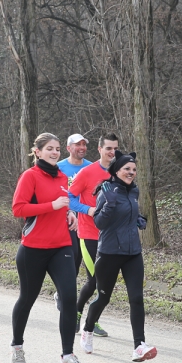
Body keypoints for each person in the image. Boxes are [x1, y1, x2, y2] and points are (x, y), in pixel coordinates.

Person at [11, 133, 86, 363]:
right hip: (33, 249)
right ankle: (17, 347)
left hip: (61, 246)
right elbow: (19, 209)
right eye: (49, 149)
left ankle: (67, 355)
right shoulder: (29, 176)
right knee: (27, 298)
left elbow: (64, 202)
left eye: (56, 149)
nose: (54, 152)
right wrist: (50, 207)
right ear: (38, 151)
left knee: (68, 298)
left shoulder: (63, 177)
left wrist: (69, 213)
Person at [79, 150, 157, 363]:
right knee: (103, 297)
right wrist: (110, 204)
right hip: (110, 253)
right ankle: (87, 329)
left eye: (133, 169)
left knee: (137, 299)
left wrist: (138, 220)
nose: (131, 172)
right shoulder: (106, 191)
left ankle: (139, 346)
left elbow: (128, 215)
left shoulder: (134, 192)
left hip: (133, 253)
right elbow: (100, 224)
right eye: (126, 169)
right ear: (116, 170)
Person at [67, 133, 119, 335]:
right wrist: (87, 210)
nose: (112, 152)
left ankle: (92, 319)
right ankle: (76, 315)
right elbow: (68, 197)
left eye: (115, 148)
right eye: (108, 148)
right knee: (94, 280)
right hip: (88, 234)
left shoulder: (120, 172)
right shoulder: (87, 172)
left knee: (106, 284)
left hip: (111, 236)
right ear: (100, 149)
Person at [53, 133, 91, 314]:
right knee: (70, 263)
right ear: (68, 148)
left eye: (84, 144)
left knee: (83, 263)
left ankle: (71, 301)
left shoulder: (92, 168)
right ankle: (64, 297)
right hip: (64, 222)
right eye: (78, 145)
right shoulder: (58, 168)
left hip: (87, 224)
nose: (81, 147)